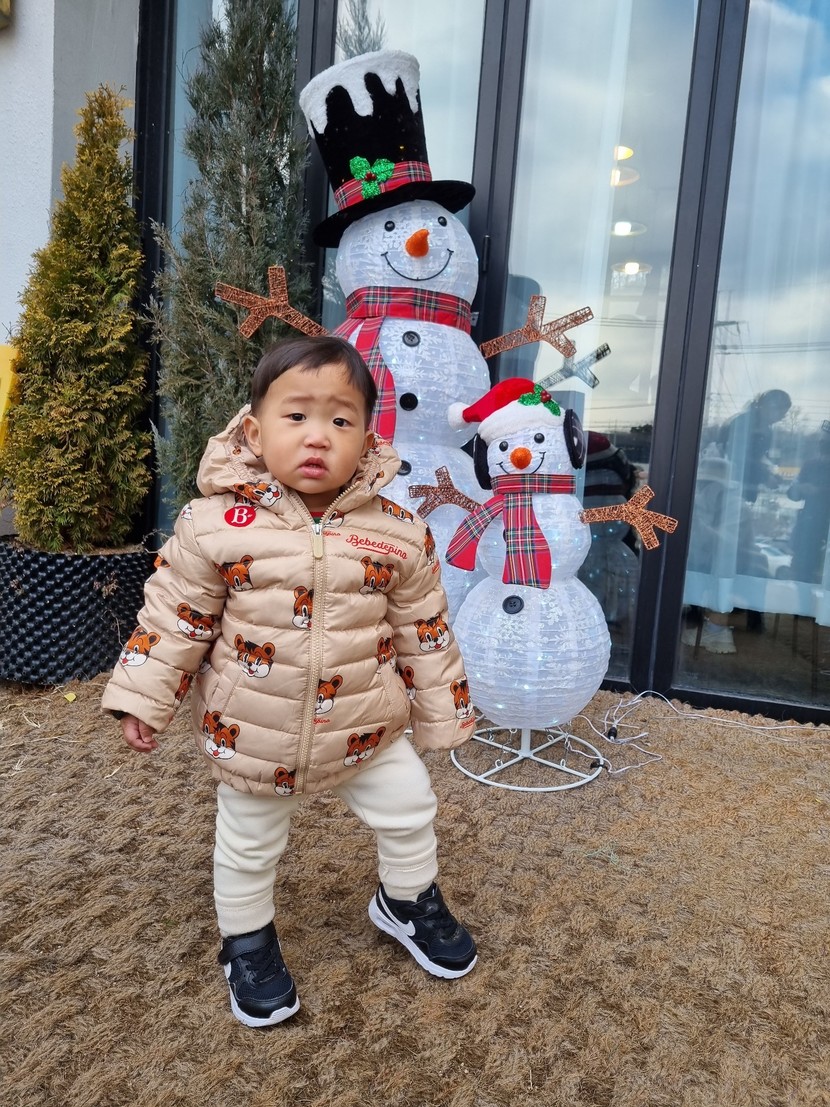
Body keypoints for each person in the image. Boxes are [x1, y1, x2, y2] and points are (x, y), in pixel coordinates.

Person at [102, 334, 478, 1029]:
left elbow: (424, 629)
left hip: (367, 722)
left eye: (341, 420)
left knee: (411, 807)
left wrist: (442, 713)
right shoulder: (214, 523)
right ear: (255, 431)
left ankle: (406, 900)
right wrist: (144, 698)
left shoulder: (399, 532)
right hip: (253, 730)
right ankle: (246, 941)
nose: (318, 436)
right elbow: (176, 618)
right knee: (248, 844)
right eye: (296, 415)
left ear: (367, 438)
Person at [786, 432, 830, 583]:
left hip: (823, 527)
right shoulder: (811, 465)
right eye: (822, 442)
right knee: (802, 575)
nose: (823, 445)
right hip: (808, 530)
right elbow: (792, 493)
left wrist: (818, 491)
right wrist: (800, 488)